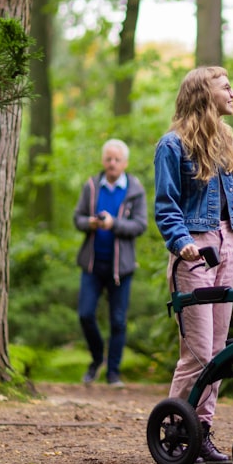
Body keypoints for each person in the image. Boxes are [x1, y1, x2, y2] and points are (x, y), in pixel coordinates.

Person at [154, 65, 233, 464]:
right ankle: (177, 432)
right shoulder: (171, 146)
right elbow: (166, 206)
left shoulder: (226, 142)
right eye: (227, 87)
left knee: (219, 353)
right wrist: (183, 243)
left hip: (225, 248)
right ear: (203, 94)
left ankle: (201, 433)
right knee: (198, 353)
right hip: (195, 249)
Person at [73, 138, 148, 388]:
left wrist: (113, 224)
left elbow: (140, 225)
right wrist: (91, 223)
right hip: (93, 265)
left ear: (125, 163)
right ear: (103, 161)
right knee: (85, 314)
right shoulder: (92, 186)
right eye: (108, 159)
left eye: (117, 159)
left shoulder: (135, 190)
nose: (112, 163)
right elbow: (78, 218)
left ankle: (113, 373)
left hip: (121, 268)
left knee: (118, 321)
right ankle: (97, 359)